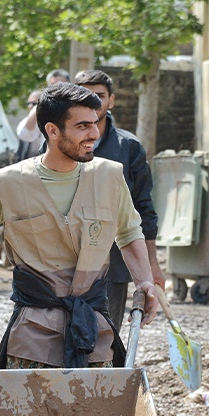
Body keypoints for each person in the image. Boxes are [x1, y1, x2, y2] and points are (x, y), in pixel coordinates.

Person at [0, 81, 158, 370]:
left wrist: (144, 279)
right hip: (33, 332)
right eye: (82, 126)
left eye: (95, 124)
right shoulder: (9, 182)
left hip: (94, 330)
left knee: (96, 412)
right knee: (31, 413)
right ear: (52, 131)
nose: (94, 134)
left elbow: (130, 232)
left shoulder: (109, 176)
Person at [73, 69, 166, 325]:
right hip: (65, 260)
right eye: (84, 96)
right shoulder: (58, 142)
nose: (92, 102)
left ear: (111, 101)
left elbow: (143, 210)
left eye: (99, 96)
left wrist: (151, 265)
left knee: (104, 334)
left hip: (112, 263)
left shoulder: (129, 148)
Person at [15, 69, 72, 159]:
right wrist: (39, 105)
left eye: (61, 85)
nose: (57, 89)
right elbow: (25, 134)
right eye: (53, 85)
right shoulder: (43, 107)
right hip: (47, 161)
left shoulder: (76, 106)